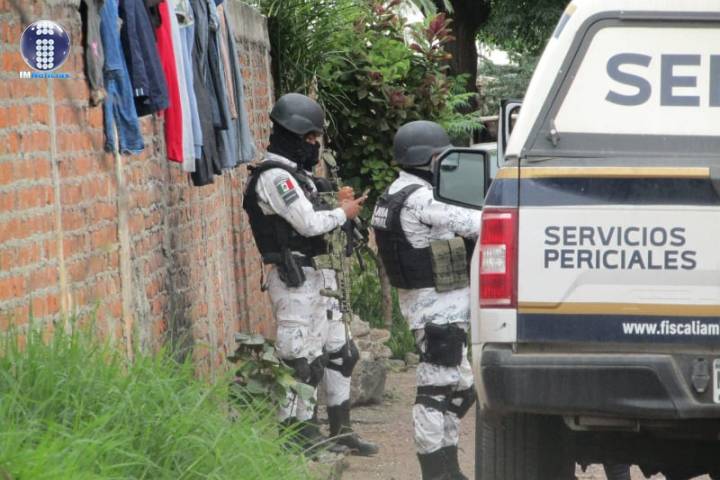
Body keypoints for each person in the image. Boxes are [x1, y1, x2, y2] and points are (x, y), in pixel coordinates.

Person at [243, 93, 378, 456]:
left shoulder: (299, 176)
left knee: (333, 355)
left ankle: (333, 430)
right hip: (294, 278)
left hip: (317, 276)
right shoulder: (275, 178)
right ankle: (294, 435)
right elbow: (307, 223)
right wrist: (343, 213)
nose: (315, 145)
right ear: (291, 136)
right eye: (310, 138)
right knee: (299, 362)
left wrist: (340, 206)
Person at [371, 120, 481, 479]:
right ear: (431, 159)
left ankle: (449, 469)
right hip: (437, 311)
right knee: (435, 392)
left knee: (460, 388)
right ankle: (435, 473)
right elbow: (480, 223)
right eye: (442, 158)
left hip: (433, 307)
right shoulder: (421, 199)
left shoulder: (395, 192)